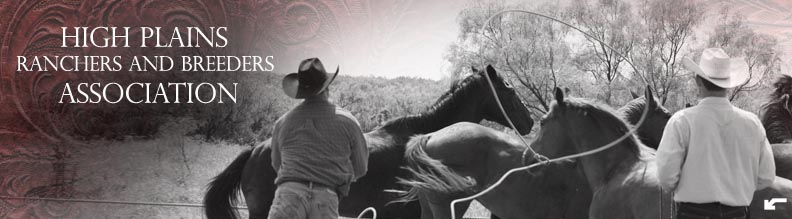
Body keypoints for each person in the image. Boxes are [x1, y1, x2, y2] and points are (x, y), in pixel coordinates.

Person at [657, 48, 776, 219]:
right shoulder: (753, 123)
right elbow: (766, 176)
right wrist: (737, 187)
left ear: (698, 80)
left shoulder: (682, 121)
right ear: (729, 84)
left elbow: (666, 178)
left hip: (693, 214)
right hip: (737, 214)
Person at [268, 58, 369, 219]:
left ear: (300, 91)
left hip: (288, 195)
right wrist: (341, 179)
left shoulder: (283, 122)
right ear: (327, 87)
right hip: (326, 197)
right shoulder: (348, 121)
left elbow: (276, 163)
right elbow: (361, 168)